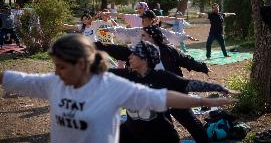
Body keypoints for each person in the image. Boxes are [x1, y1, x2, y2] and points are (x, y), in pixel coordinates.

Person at [0, 34, 237, 143]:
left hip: (161, 135)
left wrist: (209, 99)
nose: (56, 72)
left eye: (61, 66)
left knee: (188, 123)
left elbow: (169, 93)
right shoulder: (55, 83)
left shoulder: (119, 85)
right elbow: (19, 79)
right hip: (136, 130)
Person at [95, 25, 212, 143]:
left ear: (153, 37)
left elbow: (186, 60)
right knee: (163, 127)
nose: (140, 38)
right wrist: (98, 46)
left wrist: (203, 68)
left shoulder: (169, 50)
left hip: (174, 94)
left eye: (143, 35)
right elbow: (119, 51)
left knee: (191, 123)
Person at [105, 40, 236, 143]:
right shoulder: (126, 75)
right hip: (133, 133)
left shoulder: (161, 77)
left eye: (134, 54)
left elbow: (190, 84)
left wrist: (218, 87)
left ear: (144, 58)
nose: (130, 57)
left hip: (162, 136)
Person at [104, 10, 197, 46]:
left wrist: (187, 36)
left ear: (152, 20)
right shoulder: (138, 30)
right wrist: (110, 29)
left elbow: (172, 35)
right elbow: (124, 30)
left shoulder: (159, 31)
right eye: (142, 18)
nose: (142, 20)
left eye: (145, 19)